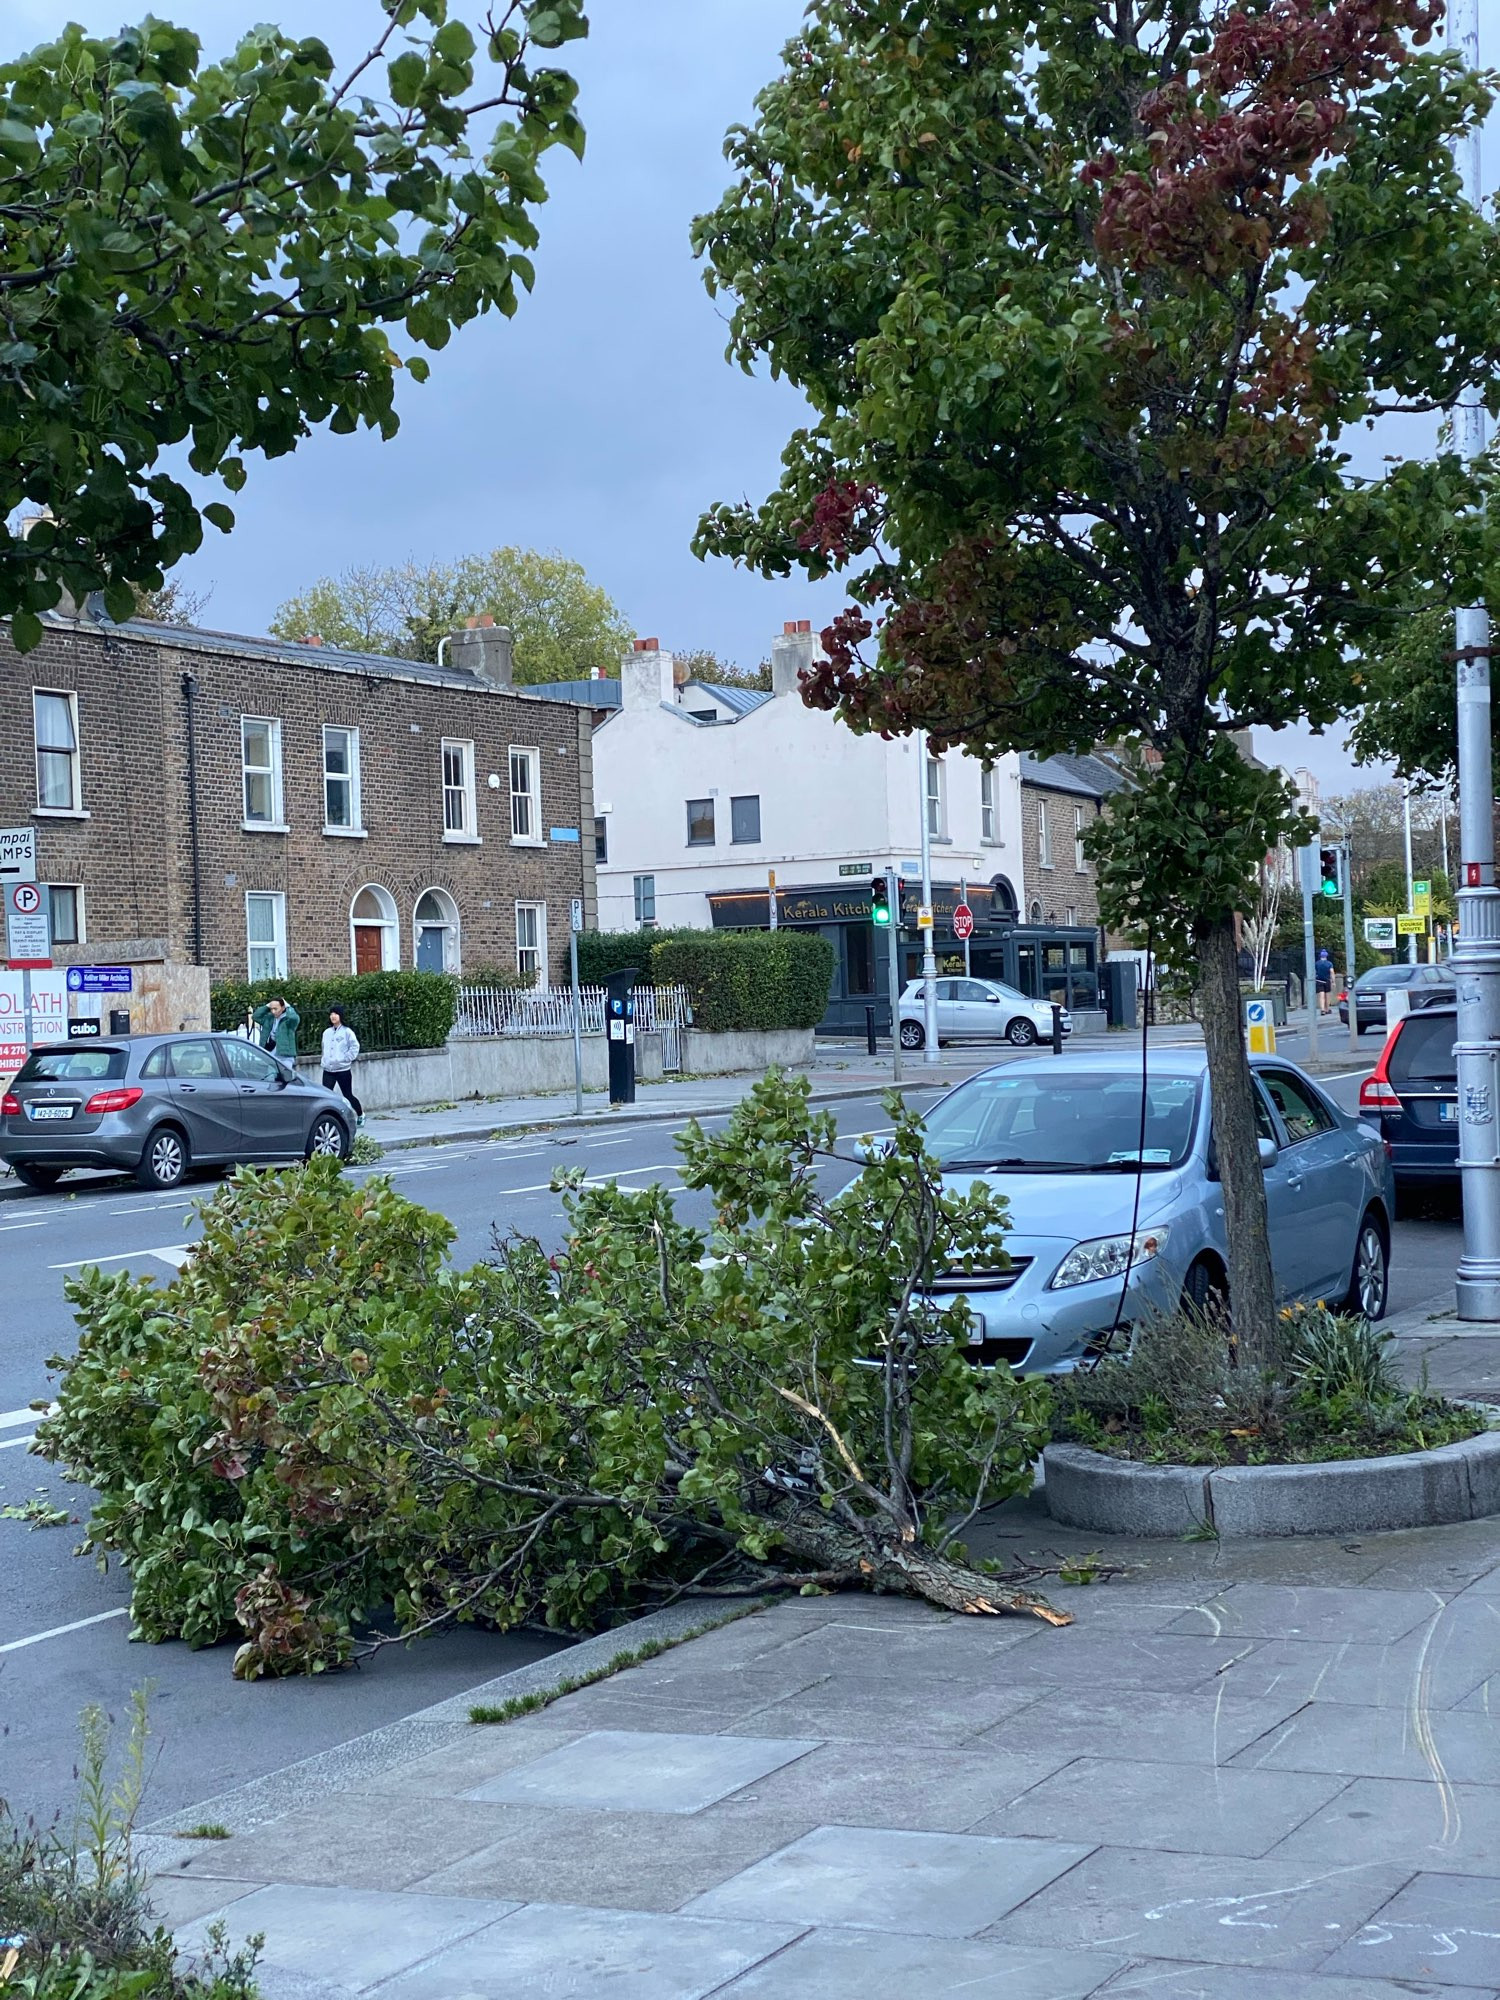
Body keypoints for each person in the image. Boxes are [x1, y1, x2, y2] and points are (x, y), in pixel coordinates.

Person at [320, 1005, 363, 1126]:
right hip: (328, 1070)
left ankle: (360, 1114)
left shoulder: (347, 1032)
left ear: (341, 1016)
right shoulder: (327, 1032)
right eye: (331, 1014)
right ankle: (328, 1119)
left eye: (336, 1014)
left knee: (347, 1094)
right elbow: (324, 1048)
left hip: (343, 1069)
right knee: (326, 1095)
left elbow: (355, 1047)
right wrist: (324, 1060)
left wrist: (346, 1059)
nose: (333, 1016)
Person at [265, 995, 300, 1061]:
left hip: (285, 1056)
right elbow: (256, 1016)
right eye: (271, 1009)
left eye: (275, 1009)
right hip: (271, 1054)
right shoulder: (271, 1019)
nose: (273, 1011)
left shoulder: (288, 1020)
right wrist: (268, 1005)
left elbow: (294, 1018)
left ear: (283, 1008)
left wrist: (288, 1007)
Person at [1315, 946, 1334, 1015]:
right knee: (1327, 995)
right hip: (1327, 981)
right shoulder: (1329, 963)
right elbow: (1331, 972)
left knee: (1321, 995)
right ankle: (1327, 1009)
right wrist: (1333, 981)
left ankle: (1322, 1009)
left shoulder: (1317, 963)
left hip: (1319, 980)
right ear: (1326, 956)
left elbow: (1315, 971)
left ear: (1320, 956)